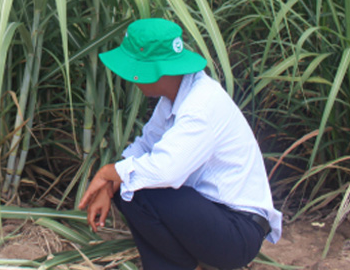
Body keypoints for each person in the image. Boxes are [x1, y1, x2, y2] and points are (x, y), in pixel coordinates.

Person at [78, 18, 282, 270]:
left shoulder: (200, 105)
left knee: (137, 187)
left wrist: (107, 172)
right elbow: (145, 146)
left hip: (236, 232)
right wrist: (108, 185)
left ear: (154, 69)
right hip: (212, 215)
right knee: (127, 184)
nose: (131, 77)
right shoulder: (175, 97)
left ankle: (175, 266)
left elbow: (165, 170)